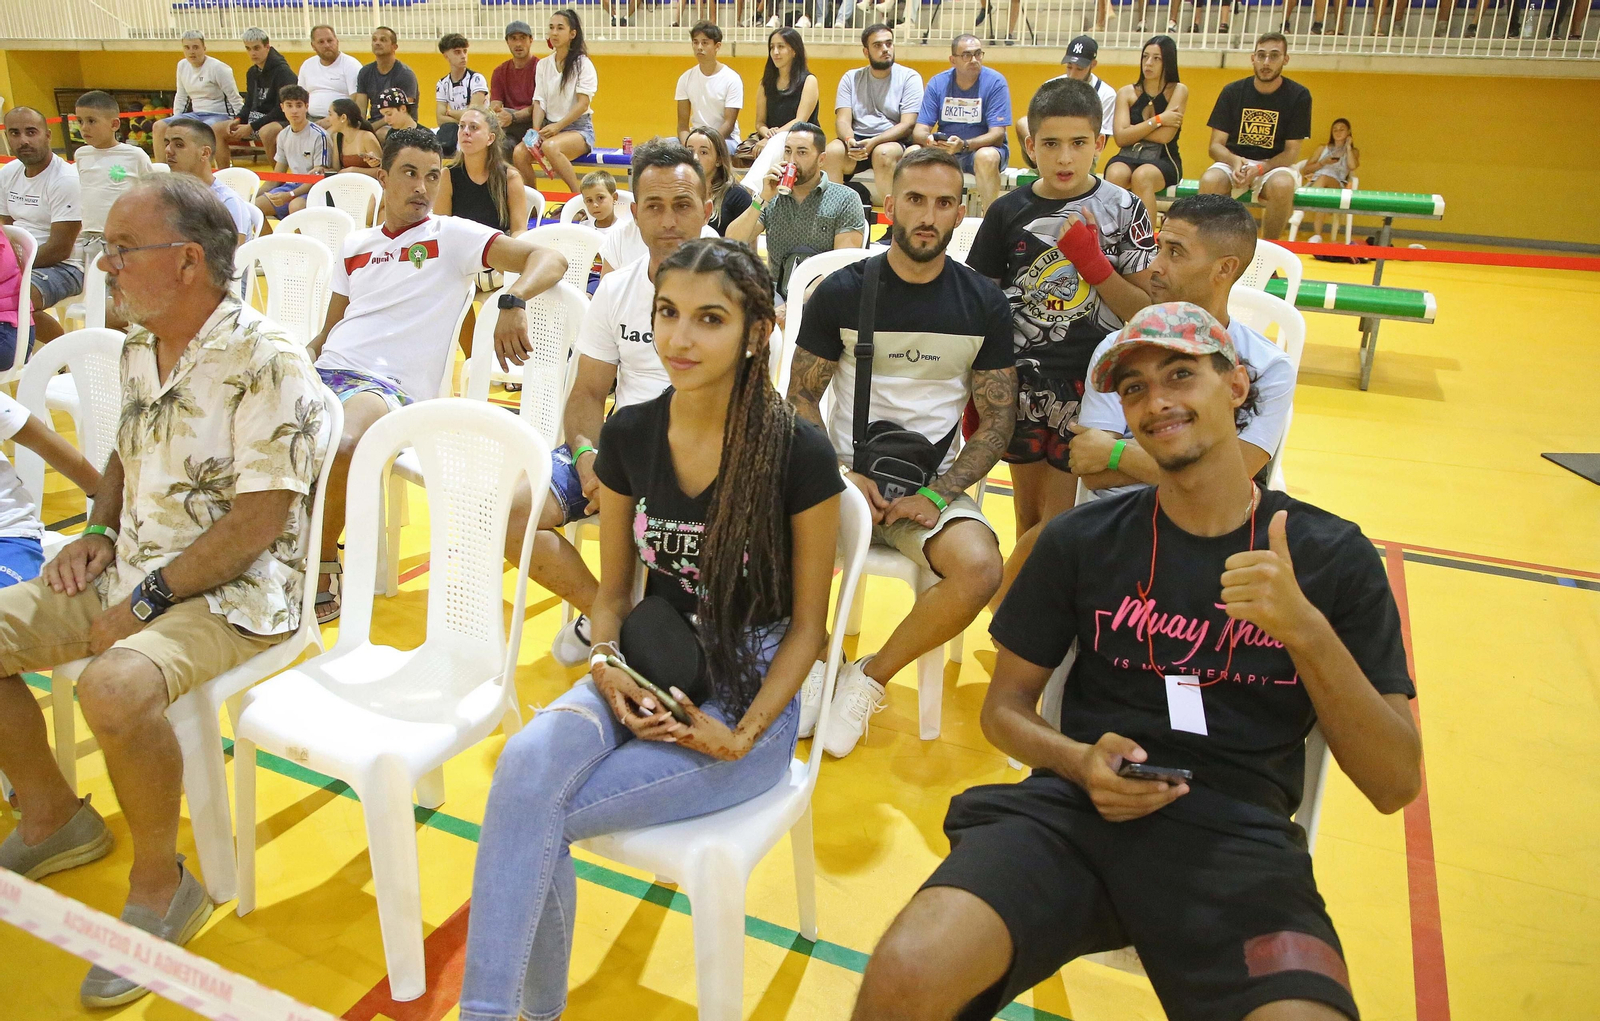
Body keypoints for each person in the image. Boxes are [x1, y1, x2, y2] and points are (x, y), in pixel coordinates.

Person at [849, 300, 1421, 1021]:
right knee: (907, 970)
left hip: (1237, 842)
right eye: (1134, 388)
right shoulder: (1081, 540)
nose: (1157, 402)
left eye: (1180, 374)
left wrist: (1306, 632)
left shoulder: (1331, 555)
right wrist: (1076, 759)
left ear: (1236, 385)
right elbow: (1004, 710)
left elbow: (1395, 781)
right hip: (1074, 814)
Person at [459, 238, 843, 1021]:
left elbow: (810, 628)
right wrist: (603, 661)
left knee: (534, 813)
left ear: (757, 330)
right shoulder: (631, 432)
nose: (680, 338)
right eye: (668, 313)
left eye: (709, 319)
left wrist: (741, 735)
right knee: (525, 767)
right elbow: (612, 593)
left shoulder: (797, 451)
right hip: (647, 659)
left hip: (749, 693)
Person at [0, 174, 335, 1009]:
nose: (103, 265)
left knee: (115, 685)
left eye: (121, 249)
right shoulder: (138, 345)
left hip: (237, 593)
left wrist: (142, 604)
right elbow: (127, 448)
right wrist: (96, 530)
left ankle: (162, 882)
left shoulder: (267, 359)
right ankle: (51, 815)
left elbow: (257, 522)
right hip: (135, 563)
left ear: (187, 261)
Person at [786, 147, 1015, 758]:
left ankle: (869, 678)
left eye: (944, 203)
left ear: (961, 214)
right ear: (890, 205)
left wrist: (938, 495)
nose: (928, 216)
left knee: (980, 567)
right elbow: (800, 398)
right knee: (761, 531)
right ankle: (818, 659)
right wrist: (837, 474)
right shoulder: (841, 291)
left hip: (929, 489)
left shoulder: (983, 303)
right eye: (915, 200)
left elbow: (998, 420)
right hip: (841, 482)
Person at [308, 127, 565, 622]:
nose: (421, 187)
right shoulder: (355, 245)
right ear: (383, 178)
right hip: (329, 370)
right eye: (409, 173)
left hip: (388, 389)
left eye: (431, 176)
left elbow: (548, 258)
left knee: (344, 442)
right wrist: (299, 356)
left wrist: (513, 299)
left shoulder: (450, 236)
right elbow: (331, 329)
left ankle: (321, 566)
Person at [994, 193, 1295, 606]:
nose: (1155, 266)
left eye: (1175, 252)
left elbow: (1232, 477)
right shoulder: (1114, 349)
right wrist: (1196, 464)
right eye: (1158, 247)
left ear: (1224, 269)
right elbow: (1092, 469)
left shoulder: (1269, 366)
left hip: (1212, 530)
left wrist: (1116, 453)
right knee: (1021, 579)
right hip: (1117, 522)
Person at [501, 138, 712, 664]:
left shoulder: (735, 292)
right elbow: (589, 393)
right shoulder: (616, 292)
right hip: (624, 447)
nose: (669, 221)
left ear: (707, 210)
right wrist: (588, 458)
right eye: (654, 207)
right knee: (511, 511)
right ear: (634, 215)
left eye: (682, 205)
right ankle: (610, 616)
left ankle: (646, 620)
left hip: (701, 457)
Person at [964, 78, 1155, 537]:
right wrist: (979, 377)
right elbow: (979, 304)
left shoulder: (1124, 208)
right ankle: (1019, 586)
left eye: (1078, 143)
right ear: (1031, 146)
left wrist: (1095, 265)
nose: (1065, 158)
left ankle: (1010, 586)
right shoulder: (1007, 211)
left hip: (1094, 385)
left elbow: (1145, 312)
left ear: (1100, 144)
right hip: (1022, 382)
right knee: (1028, 519)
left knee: (1059, 523)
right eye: (1051, 144)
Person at [727, 122, 866, 327]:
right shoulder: (771, 197)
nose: (791, 160)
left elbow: (841, 267)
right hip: (775, 295)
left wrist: (794, 304)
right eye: (787, 151)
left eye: (802, 152)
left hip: (824, 295)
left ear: (821, 159)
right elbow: (731, 240)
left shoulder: (845, 198)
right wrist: (762, 197)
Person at [436, 106, 531, 356]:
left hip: (498, 262)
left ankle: (504, 356)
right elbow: (441, 228)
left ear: (490, 138)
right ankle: (475, 358)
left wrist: (506, 261)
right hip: (464, 263)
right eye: (462, 127)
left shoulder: (510, 176)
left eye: (473, 127)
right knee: (448, 289)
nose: (465, 132)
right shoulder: (448, 175)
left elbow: (520, 231)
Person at [1199, 33, 1312, 241]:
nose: (1266, 62)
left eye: (1274, 56)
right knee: (1210, 180)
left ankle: (1269, 249)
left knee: (1282, 186)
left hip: (1274, 165)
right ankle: (1212, 247)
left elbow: (1291, 153)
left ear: (1285, 59)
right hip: (1235, 160)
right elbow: (1215, 146)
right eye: (1261, 55)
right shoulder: (1232, 92)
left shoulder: (1299, 96)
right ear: (1253, 58)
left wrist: (1260, 168)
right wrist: (1234, 161)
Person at [0, 107, 83, 346]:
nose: (23, 140)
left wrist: (12, 268)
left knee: (16, 299)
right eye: (15, 133)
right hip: (20, 262)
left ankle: (69, 357)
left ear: (47, 135)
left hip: (66, 267)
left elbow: (60, 249)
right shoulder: (8, 173)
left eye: (31, 132)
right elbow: (6, 227)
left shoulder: (65, 179)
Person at [823, 25, 923, 202]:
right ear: (866, 51)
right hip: (858, 141)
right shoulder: (851, 78)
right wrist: (849, 140)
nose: (885, 49)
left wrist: (875, 141)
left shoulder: (909, 77)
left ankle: (893, 216)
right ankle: (834, 212)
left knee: (882, 153)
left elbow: (908, 124)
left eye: (889, 43)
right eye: (877, 45)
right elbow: (842, 121)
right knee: (832, 151)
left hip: (892, 141)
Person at [912, 34, 1012, 212]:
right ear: (953, 60)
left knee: (986, 157)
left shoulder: (995, 82)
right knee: (911, 153)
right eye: (966, 55)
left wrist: (964, 145)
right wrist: (930, 141)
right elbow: (919, 130)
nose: (974, 60)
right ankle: (914, 217)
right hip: (946, 151)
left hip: (980, 150)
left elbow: (997, 135)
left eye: (978, 54)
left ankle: (990, 218)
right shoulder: (938, 83)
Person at [1105, 35, 1188, 223]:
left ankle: (1146, 237)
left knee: (1142, 176)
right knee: (1115, 174)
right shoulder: (1126, 92)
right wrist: (1159, 119)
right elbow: (1121, 138)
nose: (1148, 63)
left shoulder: (1178, 90)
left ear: (1168, 62)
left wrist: (1133, 131)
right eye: (1145, 57)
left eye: (1156, 58)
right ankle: (1112, 233)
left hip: (1164, 158)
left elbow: (1165, 136)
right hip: (1128, 155)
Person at [516, 9, 597, 195]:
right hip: (549, 128)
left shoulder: (583, 64)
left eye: (560, 28)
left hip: (578, 129)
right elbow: (539, 100)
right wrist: (535, 130)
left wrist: (558, 126)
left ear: (572, 34)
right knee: (519, 153)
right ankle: (533, 200)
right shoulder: (543, 65)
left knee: (550, 147)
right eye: (551, 27)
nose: (554, 33)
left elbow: (583, 104)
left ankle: (578, 198)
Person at [72, 91, 155, 257]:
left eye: (91, 121)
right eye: (80, 121)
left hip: (123, 236)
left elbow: (151, 193)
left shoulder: (135, 155)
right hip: (89, 236)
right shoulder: (81, 155)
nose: (84, 127)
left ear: (114, 124)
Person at [154, 31, 243, 171]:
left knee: (204, 130)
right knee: (159, 126)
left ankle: (222, 172)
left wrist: (241, 120)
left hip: (220, 115)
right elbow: (181, 95)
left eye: (195, 47)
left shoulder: (219, 68)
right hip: (195, 115)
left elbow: (234, 97)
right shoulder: (182, 66)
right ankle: (164, 172)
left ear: (204, 48)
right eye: (187, 47)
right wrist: (176, 121)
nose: (191, 51)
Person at [1018, 36, 1116, 161]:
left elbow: (1100, 143)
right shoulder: (1051, 86)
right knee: (1023, 123)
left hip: (1082, 153)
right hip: (1052, 143)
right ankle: (1043, 163)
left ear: (1093, 64)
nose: (1072, 74)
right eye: (1069, 67)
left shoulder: (1107, 94)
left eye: (1079, 68)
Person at [163, 117, 255, 243]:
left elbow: (232, 253)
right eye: (166, 144)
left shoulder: (227, 202)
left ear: (205, 153)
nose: (168, 150)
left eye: (179, 145)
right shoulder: (167, 195)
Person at [252, 85, 330, 222]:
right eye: (289, 105)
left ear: (306, 107)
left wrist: (291, 194)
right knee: (253, 206)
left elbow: (319, 176)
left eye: (299, 105)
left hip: (315, 188)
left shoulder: (319, 135)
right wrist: (251, 197)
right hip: (292, 186)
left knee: (296, 206)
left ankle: (302, 237)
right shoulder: (283, 135)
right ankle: (272, 236)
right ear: (282, 107)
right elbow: (277, 176)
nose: (294, 110)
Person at [741, 27, 819, 162]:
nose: (775, 52)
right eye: (772, 47)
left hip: (801, 137)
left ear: (794, 51)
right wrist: (767, 133)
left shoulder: (809, 81)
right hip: (771, 138)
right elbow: (760, 123)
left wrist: (773, 137)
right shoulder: (765, 83)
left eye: (781, 47)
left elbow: (800, 120)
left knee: (776, 145)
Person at [230, 29, 297, 161]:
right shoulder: (252, 72)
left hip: (282, 120)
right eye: (248, 49)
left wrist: (251, 127)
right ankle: (224, 172)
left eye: (256, 48)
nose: (252, 53)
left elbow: (281, 110)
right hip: (258, 120)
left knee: (266, 132)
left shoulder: (283, 72)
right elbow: (248, 104)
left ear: (267, 47)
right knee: (219, 129)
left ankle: (277, 173)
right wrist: (238, 119)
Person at [675, 21, 743, 149]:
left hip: (725, 139)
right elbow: (682, 126)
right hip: (695, 138)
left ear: (717, 46)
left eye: (705, 43)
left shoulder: (732, 78)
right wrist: (688, 146)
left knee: (706, 151)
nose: (699, 47)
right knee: (661, 148)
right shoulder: (685, 78)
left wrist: (705, 145)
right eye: (695, 42)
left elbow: (729, 124)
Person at [352, 26, 419, 138]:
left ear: (394, 47)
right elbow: (361, 109)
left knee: (381, 134)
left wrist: (370, 129)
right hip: (374, 124)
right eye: (374, 40)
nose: (377, 43)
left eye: (383, 40)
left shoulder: (405, 74)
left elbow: (403, 112)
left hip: (401, 125)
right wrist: (357, 128)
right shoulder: (365, 72)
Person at [1302, 118, 1359, 243]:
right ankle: (1317, 235)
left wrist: (1348, 147)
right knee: (1321, 193)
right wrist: (1323, 163)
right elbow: (1306, 170)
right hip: (1317, 183)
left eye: (1342, 129)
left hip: (1337, 185)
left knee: (1323, 179)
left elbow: (1352, 166)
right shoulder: (1322, 148)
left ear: (1348, 132)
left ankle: (1301, 212)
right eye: (1335, 130)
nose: (1338, 132)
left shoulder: (1353, 151)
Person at [686, 126, 751, 236]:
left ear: (719, 160)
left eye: (703, 152)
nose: (695, 158)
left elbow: (749, 243)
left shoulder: (738, 196)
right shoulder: (676, 191)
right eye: (690, 151)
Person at [490, 21, 541, 158]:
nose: (518, 44)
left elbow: (538, 107)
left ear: (531, 40)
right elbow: (495, 105)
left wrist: (512, 116)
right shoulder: (499, 72)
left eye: (522, 38)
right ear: (507, 42)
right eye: (513, 38)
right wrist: (497, 113)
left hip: (536, 127)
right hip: (510, 130)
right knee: (495, 145)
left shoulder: (541, 69)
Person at [435, 33, 489, 158]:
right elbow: (440, 119)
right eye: (457, 52)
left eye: (465, 51)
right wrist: (463, 121)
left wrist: (450, 113)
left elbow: (474, 115)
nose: (463, 56)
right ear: (446, 56)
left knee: (463, 145)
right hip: (458, 129)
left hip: (480, 129)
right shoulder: (442, 83)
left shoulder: (477, 79)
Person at [298, 24, 362, 122]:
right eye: (321, 42)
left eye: (330, 40)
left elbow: (355, 100)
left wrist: (330, 120)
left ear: (337, 41)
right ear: (313, 46)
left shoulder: (351, 64)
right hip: (309, 119)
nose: (327, 45)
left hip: (341, 121)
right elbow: (300, 96)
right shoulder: (307, 65)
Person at [325, 98, 382, 173]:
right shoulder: (338, 137)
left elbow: (382, 170)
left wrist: (354, 171)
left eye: (330, 114)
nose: (328, 119)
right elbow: (336, 170)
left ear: (343, 117)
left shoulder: (367, 137)